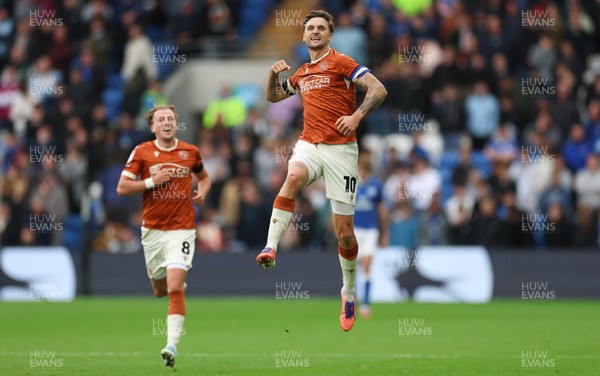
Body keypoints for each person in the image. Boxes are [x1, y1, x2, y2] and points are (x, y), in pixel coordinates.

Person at [256, 9, 387, 332]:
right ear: (303, 36)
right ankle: (271, 246)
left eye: (320, 28)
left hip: (342, 149)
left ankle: (349, 292)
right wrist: (272, 75)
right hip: (309, 144)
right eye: (310, 28)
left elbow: (379, 89)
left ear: (330, 35)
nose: (314, 32)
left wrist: (356, 118)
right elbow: (273, 97)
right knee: (294, 175)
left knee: (343, 232)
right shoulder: (301, 72)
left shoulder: (342, 62)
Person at [116, 104, 211, 368]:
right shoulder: (142, 152)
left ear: (176, 123)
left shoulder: (190, 151)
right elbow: (122, 187)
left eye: (171, 118)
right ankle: (171, 278)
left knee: (174, 289)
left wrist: (202, 191)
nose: (167, 122)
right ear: (153, 127)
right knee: (160, 290)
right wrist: (151, 182)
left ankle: (171, 345)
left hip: (182, 229)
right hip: (153, 232)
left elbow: (204, 178)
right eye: (161, 119)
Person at [353, 151, 388, 319]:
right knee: (352, 266)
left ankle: (365, 303)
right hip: (354, 229)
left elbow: (382, 209)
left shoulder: (376, 185)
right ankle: (352, 299)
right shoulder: (352, 183)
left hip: (370, 229)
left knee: (367, 265)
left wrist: (384, 232)